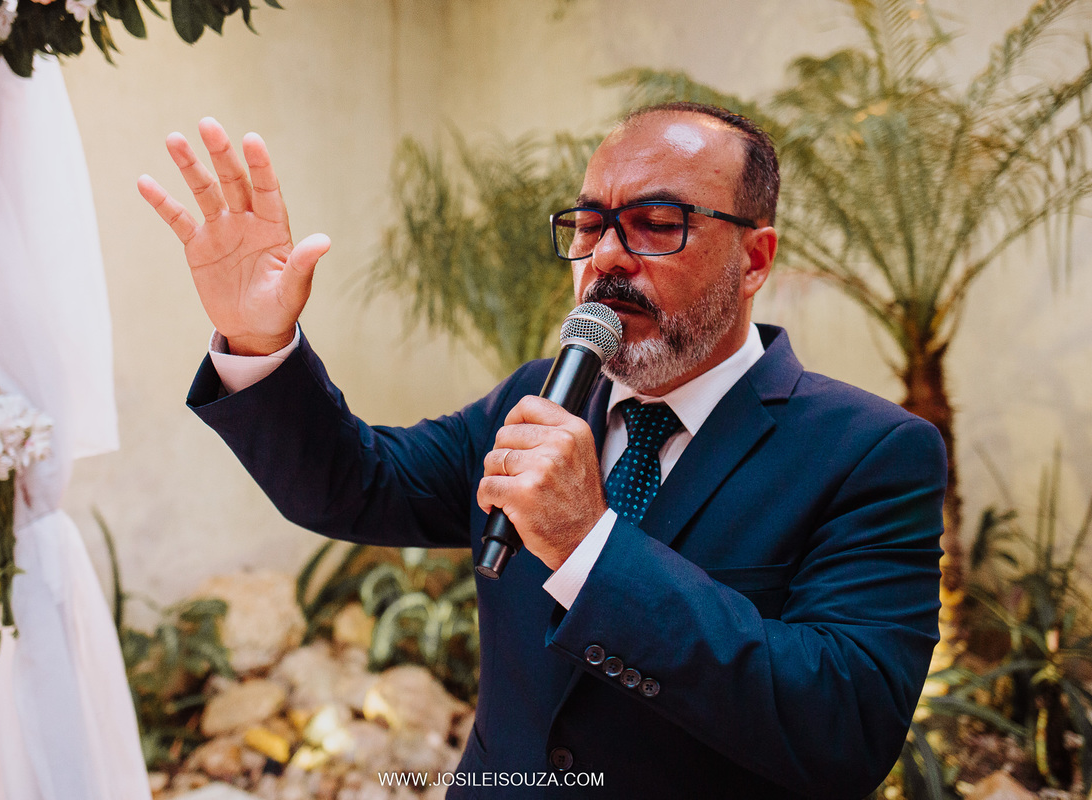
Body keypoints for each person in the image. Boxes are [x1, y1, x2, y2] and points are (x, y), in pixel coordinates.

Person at [138, 103, 946, 799]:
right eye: (590, 226)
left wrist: (589, 546)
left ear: (754, 259)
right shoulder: (543, 396)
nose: (606, 257)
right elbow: (358, 485)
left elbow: (845, 725)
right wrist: (258, 338)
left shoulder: (871, 452)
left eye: (657, 224)